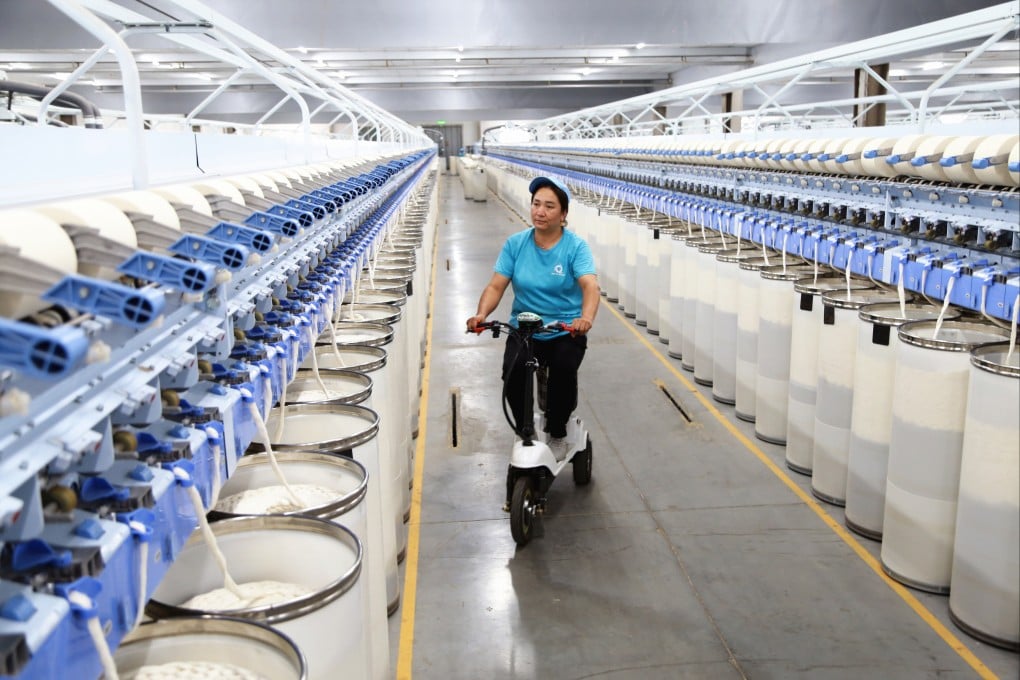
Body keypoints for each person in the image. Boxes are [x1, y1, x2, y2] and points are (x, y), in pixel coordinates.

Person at [466, 175, 600, 463]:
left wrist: (585, 318)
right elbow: (496, 286)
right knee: (513, 374)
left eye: (549, 206)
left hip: (564, 328)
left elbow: (590, 286)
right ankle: (525, 430)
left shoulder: (575, 248)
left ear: (563, 215)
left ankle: (558, 433)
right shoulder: (516, 244)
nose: (540, 211)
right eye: (536, 204)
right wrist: (481, 314)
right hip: (525, 328)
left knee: (563, 371)